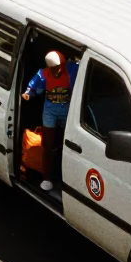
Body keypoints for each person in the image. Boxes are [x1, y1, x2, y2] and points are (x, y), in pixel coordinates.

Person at [22, 50, 79, 193]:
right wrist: (28, 94)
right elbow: (32, 87)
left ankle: (63, 177)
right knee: (47, 144)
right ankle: (46, 178)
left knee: (67, 144)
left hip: (68, 112)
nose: (56, 71)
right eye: (53, 68)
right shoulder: (43, 74)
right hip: (50, 111)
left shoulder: (74, 68)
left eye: (58, 67)